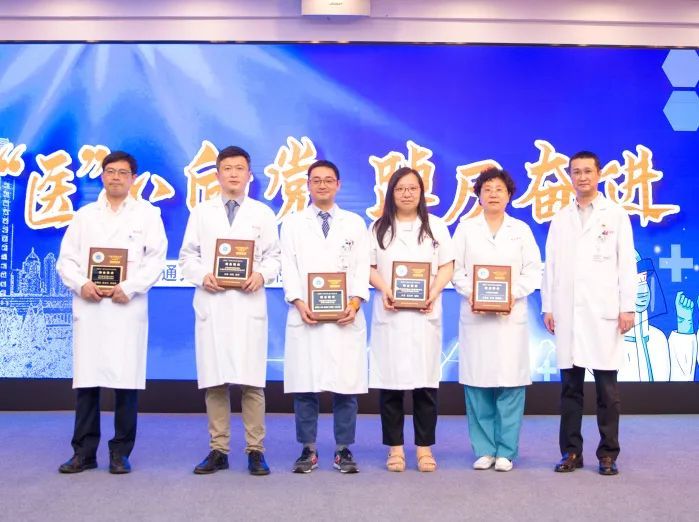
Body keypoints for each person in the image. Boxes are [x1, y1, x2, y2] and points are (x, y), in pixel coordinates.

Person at [56, 150, 167, 474]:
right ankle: (83, 452)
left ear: (133, 179)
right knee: (87, 384)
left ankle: (120, 452)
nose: (116, 177)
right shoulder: (85, 215)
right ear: (102, 176)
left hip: (126, 308)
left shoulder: (148, 215)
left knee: (125, 383)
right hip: (91, 307)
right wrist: (81, 284)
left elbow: (155, 261)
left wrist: (129, 287)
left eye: (123, 172)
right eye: (110, 172)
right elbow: (66, 260)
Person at [179, 145, 281, 476]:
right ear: (218, 174)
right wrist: (202, 275)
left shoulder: (262, 214)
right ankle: (218, 450)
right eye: (227, 168)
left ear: (249, 175)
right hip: (214, 303)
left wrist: (261, 275)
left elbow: (274, 257)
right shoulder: (201, 212)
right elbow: (187, 256)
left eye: (240, 168)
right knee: (215, 381)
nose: (234, 174)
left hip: (248, 304)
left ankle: (255, 451)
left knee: (252, 383)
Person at [541, 150, 636, 476]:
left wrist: (627, 307)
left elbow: (627, 263)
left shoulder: (615, 215)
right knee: (570, 390)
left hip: (603, 313)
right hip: (568, 313)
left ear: (599, 175)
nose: (582, 177)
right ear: (570, 176)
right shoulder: (561, 218)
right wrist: (548, 305)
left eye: (587, 171)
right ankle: (571, 452)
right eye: (576, 172)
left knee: (607, 391)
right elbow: (551, 265)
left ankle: (608, 454)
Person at [280, 160, 370, 474]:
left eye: (328, 180)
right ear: (307, 185)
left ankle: (343, 450)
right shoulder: (292, 223)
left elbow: (362, 266)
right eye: (316, 180)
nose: (322, 185)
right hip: (306, 315)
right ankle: (308, 449)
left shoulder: (354, 223)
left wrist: (355, 302)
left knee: (345, 387)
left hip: (345, 316)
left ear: (338, 185)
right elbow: (288, 266)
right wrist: (298, 300)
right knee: (305, 386)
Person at [452, 168, 541, 472]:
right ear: (478, 195)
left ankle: (506, 451)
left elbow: (533, 271)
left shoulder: (521, 230)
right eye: (487, 189)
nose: (493, 194)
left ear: (509, 195)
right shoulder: (466, 229)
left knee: (511, 384)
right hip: (476, 316)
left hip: (510, 318)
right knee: (477, 385)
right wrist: (474, 295)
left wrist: (510, 295)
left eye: (499, 189)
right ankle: (484, 449)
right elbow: (456, 270)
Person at [368, 166, 454, 472]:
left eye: (412, 188)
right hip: (390, 315)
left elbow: (447, 266)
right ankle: (395, 449)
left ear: (421, 192)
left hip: (424, 316)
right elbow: (368, 267)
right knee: (390, 386)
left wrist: (432, 292)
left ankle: (424, 448)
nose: (406, 194)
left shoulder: (436, 227)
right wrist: (385, 288)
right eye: (400, 188)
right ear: (391, 193)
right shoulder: (378, 227)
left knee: (425, 386)